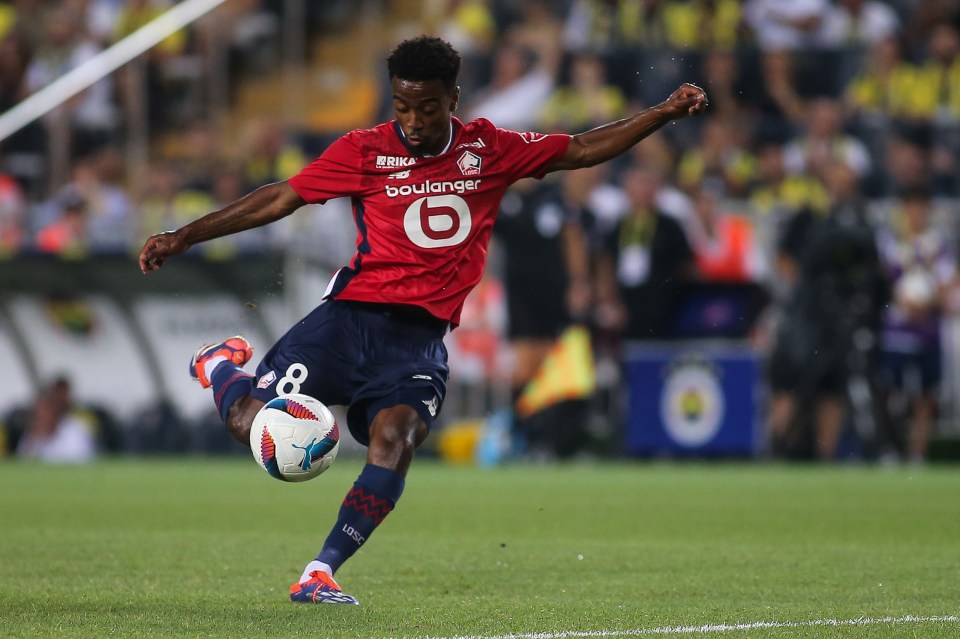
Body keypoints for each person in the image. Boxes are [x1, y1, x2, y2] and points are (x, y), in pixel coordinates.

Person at [138, 35, 706, 605]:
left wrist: (660, 113)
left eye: (427, 107)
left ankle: (320, 572)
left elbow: (581, 149)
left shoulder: (491, 149)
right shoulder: (365, 150)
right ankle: (217, 366)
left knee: (398, 438)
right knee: (246, 424)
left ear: (453, 98)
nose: (412, 120)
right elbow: (280, 198)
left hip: (417, 343)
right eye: (402, 106)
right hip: (346, 323)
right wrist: (186, 235)